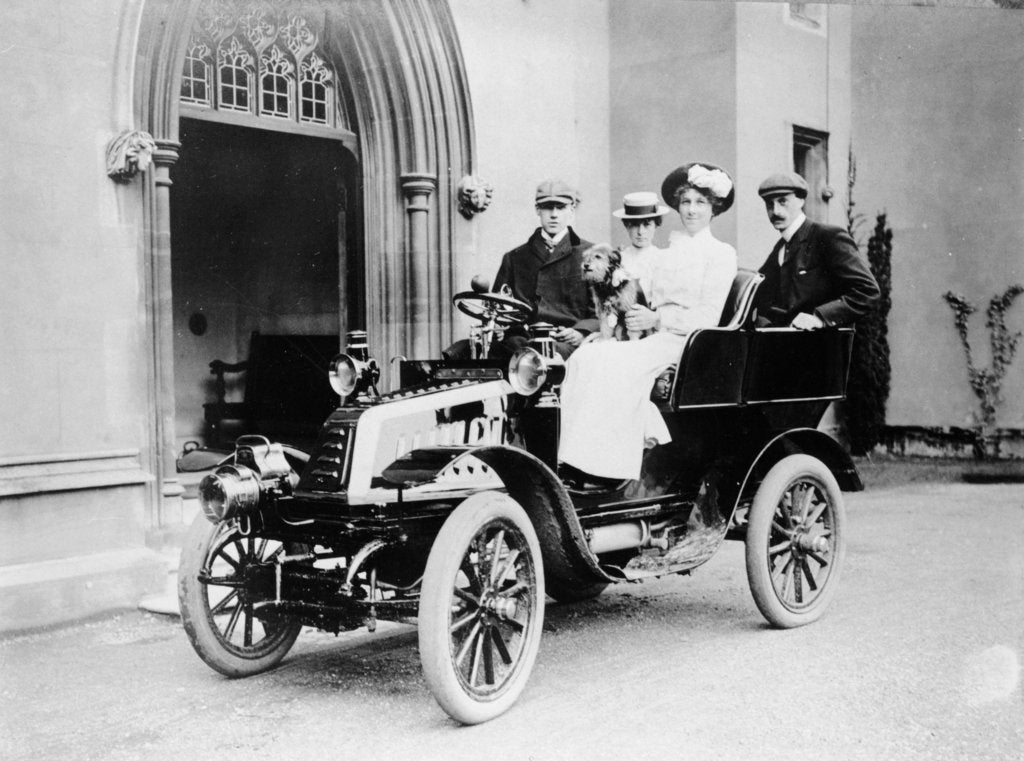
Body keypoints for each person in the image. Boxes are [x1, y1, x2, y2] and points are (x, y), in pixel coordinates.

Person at [558, 163, 738, 481]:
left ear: (714, 208)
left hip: (689, 342)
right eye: (686, 202)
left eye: (700, 202)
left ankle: (606, 468)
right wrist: (619, 326)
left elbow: (708, 317)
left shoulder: (720, 254)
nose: (691, 210)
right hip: (655, 335)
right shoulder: (669, 252)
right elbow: (643, 299)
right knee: (587, 355)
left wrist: (657, 318)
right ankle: (573, 458)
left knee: (616, 364)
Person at [447, 179, 598, 359]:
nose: (554, 215)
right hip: (520, 340)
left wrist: (581, 332)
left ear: (571, 209)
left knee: (540, 357)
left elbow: (601, 310)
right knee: (461, 353)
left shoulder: (590, 254)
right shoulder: (515, 258)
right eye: (547, 208)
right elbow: (498, 308)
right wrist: (498, 327)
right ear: (537, 210)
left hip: (565, 342)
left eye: (561, 207)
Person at [754, 172, 880, 329]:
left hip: (821, 342)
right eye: (769, 204)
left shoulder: (828, 237)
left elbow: (867, 291)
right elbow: (761, 296)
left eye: (783, 201)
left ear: (801, 200)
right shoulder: (781, 247)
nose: (776, 211)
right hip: (785, 341)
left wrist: (819, 318)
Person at [611, 191, 673, 296]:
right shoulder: (619, 259)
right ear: (627, 226)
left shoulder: (664, 258)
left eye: (647, 225)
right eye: (635, 225)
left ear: (656, 225)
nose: (641, 232)